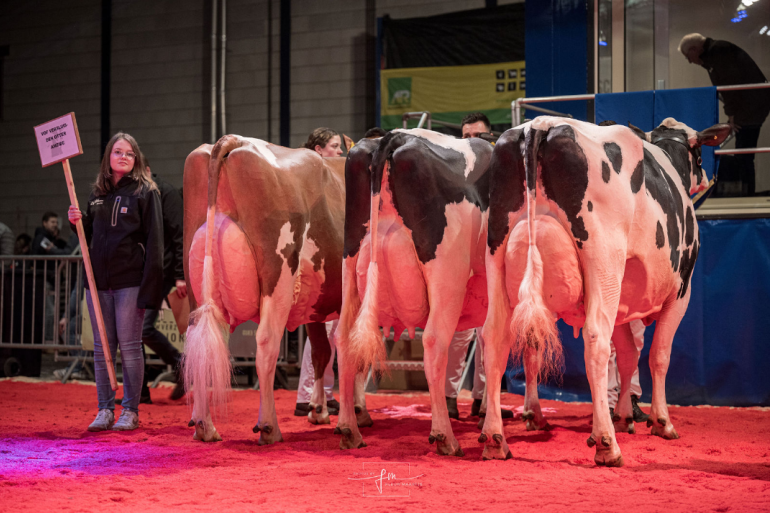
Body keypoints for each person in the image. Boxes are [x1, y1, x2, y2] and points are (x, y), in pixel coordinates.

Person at [68, 132, 163, 432]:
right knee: (102, 348)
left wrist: (151, 288)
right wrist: (77, 223)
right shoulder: (97, 194)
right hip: (98, 285)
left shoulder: (145, 192)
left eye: (130, 153)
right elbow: (93, 238)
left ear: (136, 160)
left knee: (130, 348)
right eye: (118, 152)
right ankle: (104, 410)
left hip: (129, 283)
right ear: (108, 156)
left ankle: (130, 411)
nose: (123, 156)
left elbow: (155, 242)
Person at [444, 113, 512, 421]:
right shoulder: (449, 167)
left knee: (492, 331)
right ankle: (447, 397)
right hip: (459, 256)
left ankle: (485, 400)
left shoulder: (501, 165)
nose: (471, 139)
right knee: (459, 334)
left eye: (477, 134)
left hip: (493, 255)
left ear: (490, 137)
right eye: (466, 134)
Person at [678, 33, 770, 195]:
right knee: (743, 155)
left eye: (688, 56)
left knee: (744, 155)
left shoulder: (718, 52)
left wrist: (732, 118)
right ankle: (747, 193)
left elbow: (730, 87)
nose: (690, 61)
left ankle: (747, 196)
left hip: (751, 107)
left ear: (694, 49)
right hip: (751, 106)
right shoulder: (716, 53)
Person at [294, 127, 343, 416]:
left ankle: (322, 392)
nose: (339, 152)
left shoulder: (331, 179)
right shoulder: (312, 179)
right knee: (320, 332)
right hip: (318, 262)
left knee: (330, 333)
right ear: (319, 150)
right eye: (334, 146)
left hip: (328, 260)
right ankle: (306, 395)